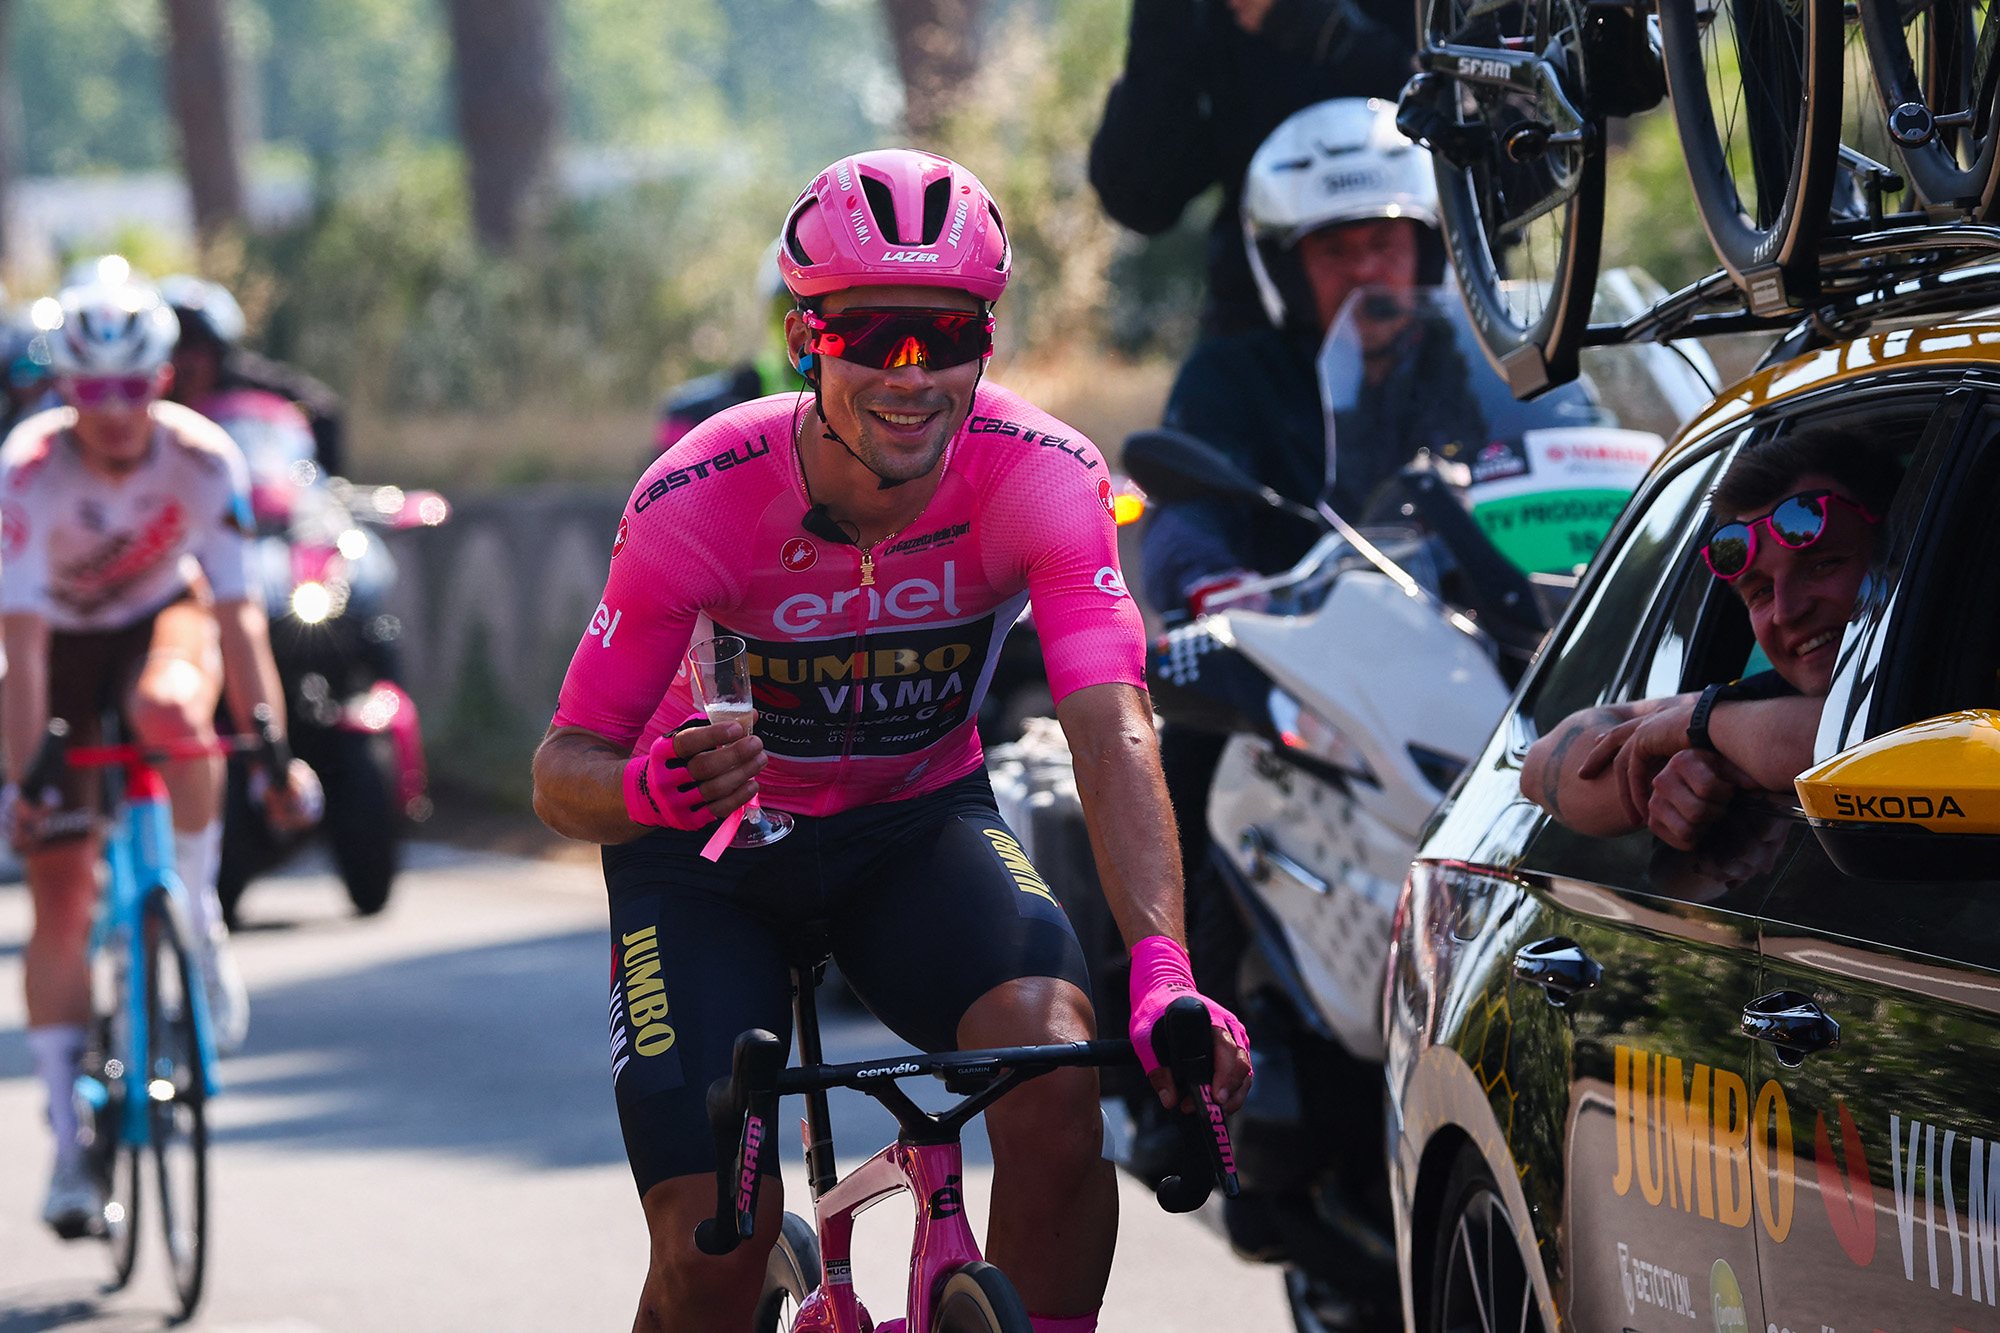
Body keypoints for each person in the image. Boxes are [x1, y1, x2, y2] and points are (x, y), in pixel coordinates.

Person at [532, 149, 1252, 1333]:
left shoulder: (1043, 480)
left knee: (1054, 1086)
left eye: (947, 333)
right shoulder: (698, 498)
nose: (910, 376)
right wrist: (654, 791)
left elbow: (1110, 726)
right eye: (871, 336)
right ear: (806, 336)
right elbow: (562, 775)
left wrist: (1162, 970)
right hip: (706, 858)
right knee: (716, 1244)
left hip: (915, 828)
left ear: (987, 335)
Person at [2, 276, 314, 1237]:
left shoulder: (201, 456)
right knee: (58, 891)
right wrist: (27, 784)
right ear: (62, 393)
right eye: (91, 392)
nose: (116, 412)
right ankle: (67, 1145)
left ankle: (198, 914)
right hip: (55, 643)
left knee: (170, 704)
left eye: (134, 386)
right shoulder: (25, 472)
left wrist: (274, 752)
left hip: (158, 617)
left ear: (163, 379)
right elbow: (21, 651)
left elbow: (237, 616)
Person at [1139, 97, 1457, 617]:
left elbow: (1572, 458)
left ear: (1428, 250)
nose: (1364, 270)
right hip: (1304, 666)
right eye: (1333, 250)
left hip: (1490, 642)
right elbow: (1183, 517)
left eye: (1385, 242)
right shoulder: (1232, 379)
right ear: (1288, 270)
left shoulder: (1483, 370)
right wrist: (1217, 582)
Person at [1522, 427, 1901, 848]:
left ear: (1898, 556)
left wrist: (1703, 726)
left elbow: (1884, 737)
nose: (1787, 611)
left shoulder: (1963, 688)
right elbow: (1541, 766)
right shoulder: (1752, 709)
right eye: (1759, 592)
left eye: (1824, 565)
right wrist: (1706, 753)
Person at [1090, 0, 1417, 338]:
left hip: (1430, 310)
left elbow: (1461, 115)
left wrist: (1331, 33)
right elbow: (1139, 197)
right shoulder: (1214, 16)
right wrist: (1163, 19)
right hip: (1261, 330)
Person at [159, 274, 348, 479]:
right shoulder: (139, 395)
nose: (186, 361)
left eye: (198, 347)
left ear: (221, 354)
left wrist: (321, 480)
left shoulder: (248, 380)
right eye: (177, 346)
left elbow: (323, 410)